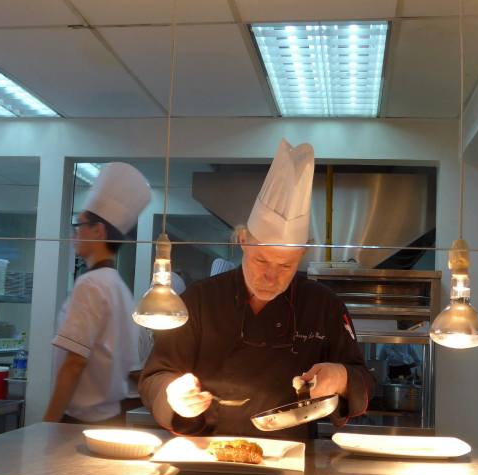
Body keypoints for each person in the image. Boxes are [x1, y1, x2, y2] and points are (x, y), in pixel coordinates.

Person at [139, 139, 374, 439]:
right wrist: (171, 393)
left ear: (301, 255)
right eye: (261, 259)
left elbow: (364, 380)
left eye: (285, 265)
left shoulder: (324, 306)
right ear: (243, 241)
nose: (271, 276)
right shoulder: (199, 301)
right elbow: (154, 376)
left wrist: (341, 378)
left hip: (292, 460)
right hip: (207, 456)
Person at [43, 163, 150, 424]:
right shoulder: (120, 288)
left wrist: (47, 424)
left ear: (98, 230)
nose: (75, 233)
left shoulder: (91, 285)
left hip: (80, 423)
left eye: (79, 225)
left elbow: (74, 363)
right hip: (110, 419)